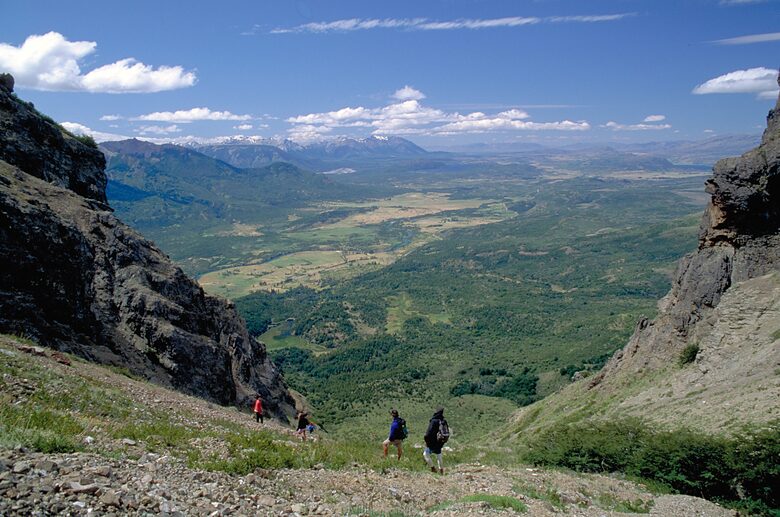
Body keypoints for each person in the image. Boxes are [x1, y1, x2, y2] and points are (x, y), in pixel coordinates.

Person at [423, 407, 448, 474]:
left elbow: (428, 433)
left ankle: (433, 468)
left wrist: (426, 440)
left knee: (425, 454)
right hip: (440, 441)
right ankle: (441, 470)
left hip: (432, 442)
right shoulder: (443, 421)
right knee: (438, 455)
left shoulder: (434, 421)